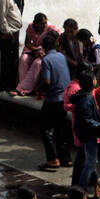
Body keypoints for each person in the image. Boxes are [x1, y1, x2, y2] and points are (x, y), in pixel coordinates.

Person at [38, 31, 73, 172]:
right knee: (61, 129)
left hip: (52, 99)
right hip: (64, 99)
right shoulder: (61, 57)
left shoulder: (46, 60)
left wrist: (39, 89)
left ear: (43, 47)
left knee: (45, 130)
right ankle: (66, 159)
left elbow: (47, 81)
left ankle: (53, 159)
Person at [0, 0, 24, 93]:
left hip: (12, 30)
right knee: (8, 60)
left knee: (11, 59)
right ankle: (6, 85)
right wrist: (6, 31)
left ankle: (9, 84)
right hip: (9, 32)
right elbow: (0, 17)